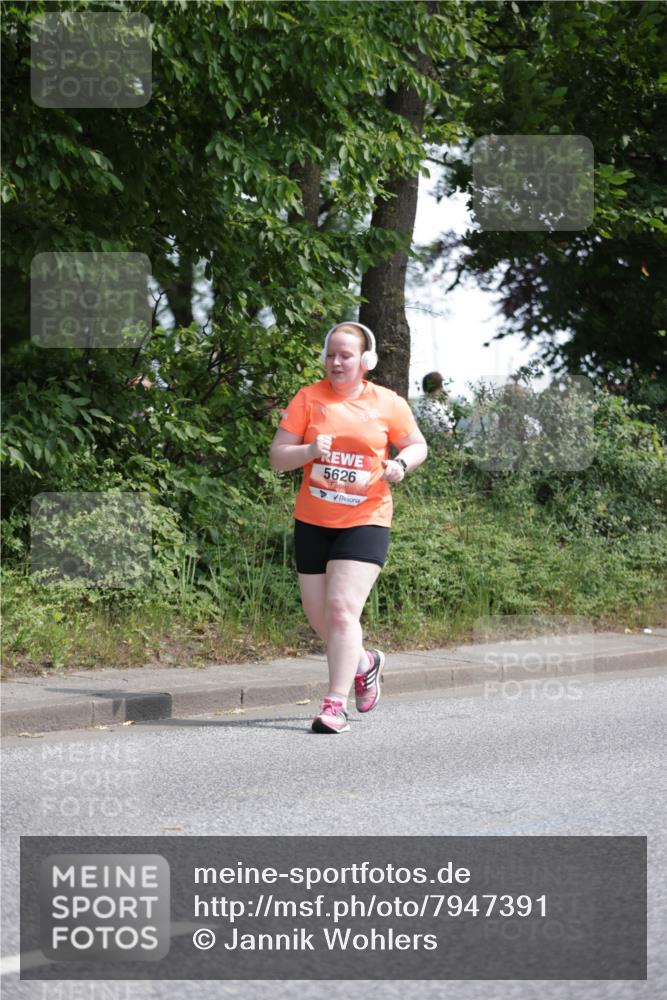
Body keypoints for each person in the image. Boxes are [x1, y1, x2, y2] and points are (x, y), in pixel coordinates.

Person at [269, 322, 428, 733]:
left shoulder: (387, 403)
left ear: (365, 361)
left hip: (365, 519)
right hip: (313, 521)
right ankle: (365, 661)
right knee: (320, 618)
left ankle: (334, 706)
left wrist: (400, 464)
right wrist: (307, 449)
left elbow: (417, 444)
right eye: (331, 354)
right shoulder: (308, 398)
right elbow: (277, 457)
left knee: (341, 610)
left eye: (346, 355)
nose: (336, 362)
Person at [411, 371, 454, 436]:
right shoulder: (440, 408)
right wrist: (446, 404)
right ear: (440, 387)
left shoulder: (414, 407)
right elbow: (448, 432)